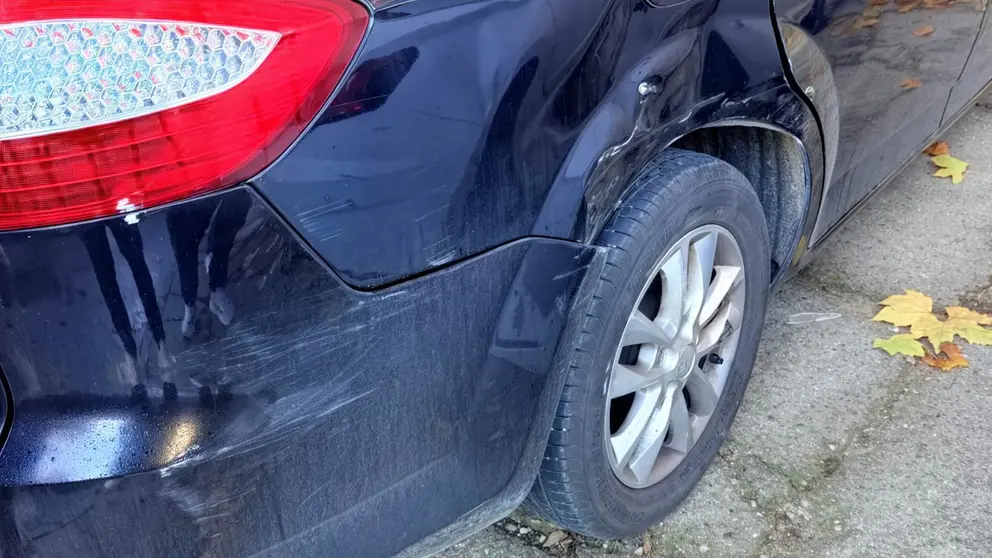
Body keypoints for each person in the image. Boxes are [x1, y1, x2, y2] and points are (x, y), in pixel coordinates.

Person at [166, 191, 251, 337]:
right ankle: (191, 303)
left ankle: (214, 287)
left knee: (235, 204)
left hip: (220, 181)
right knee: (184, 242)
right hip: (180, 191)